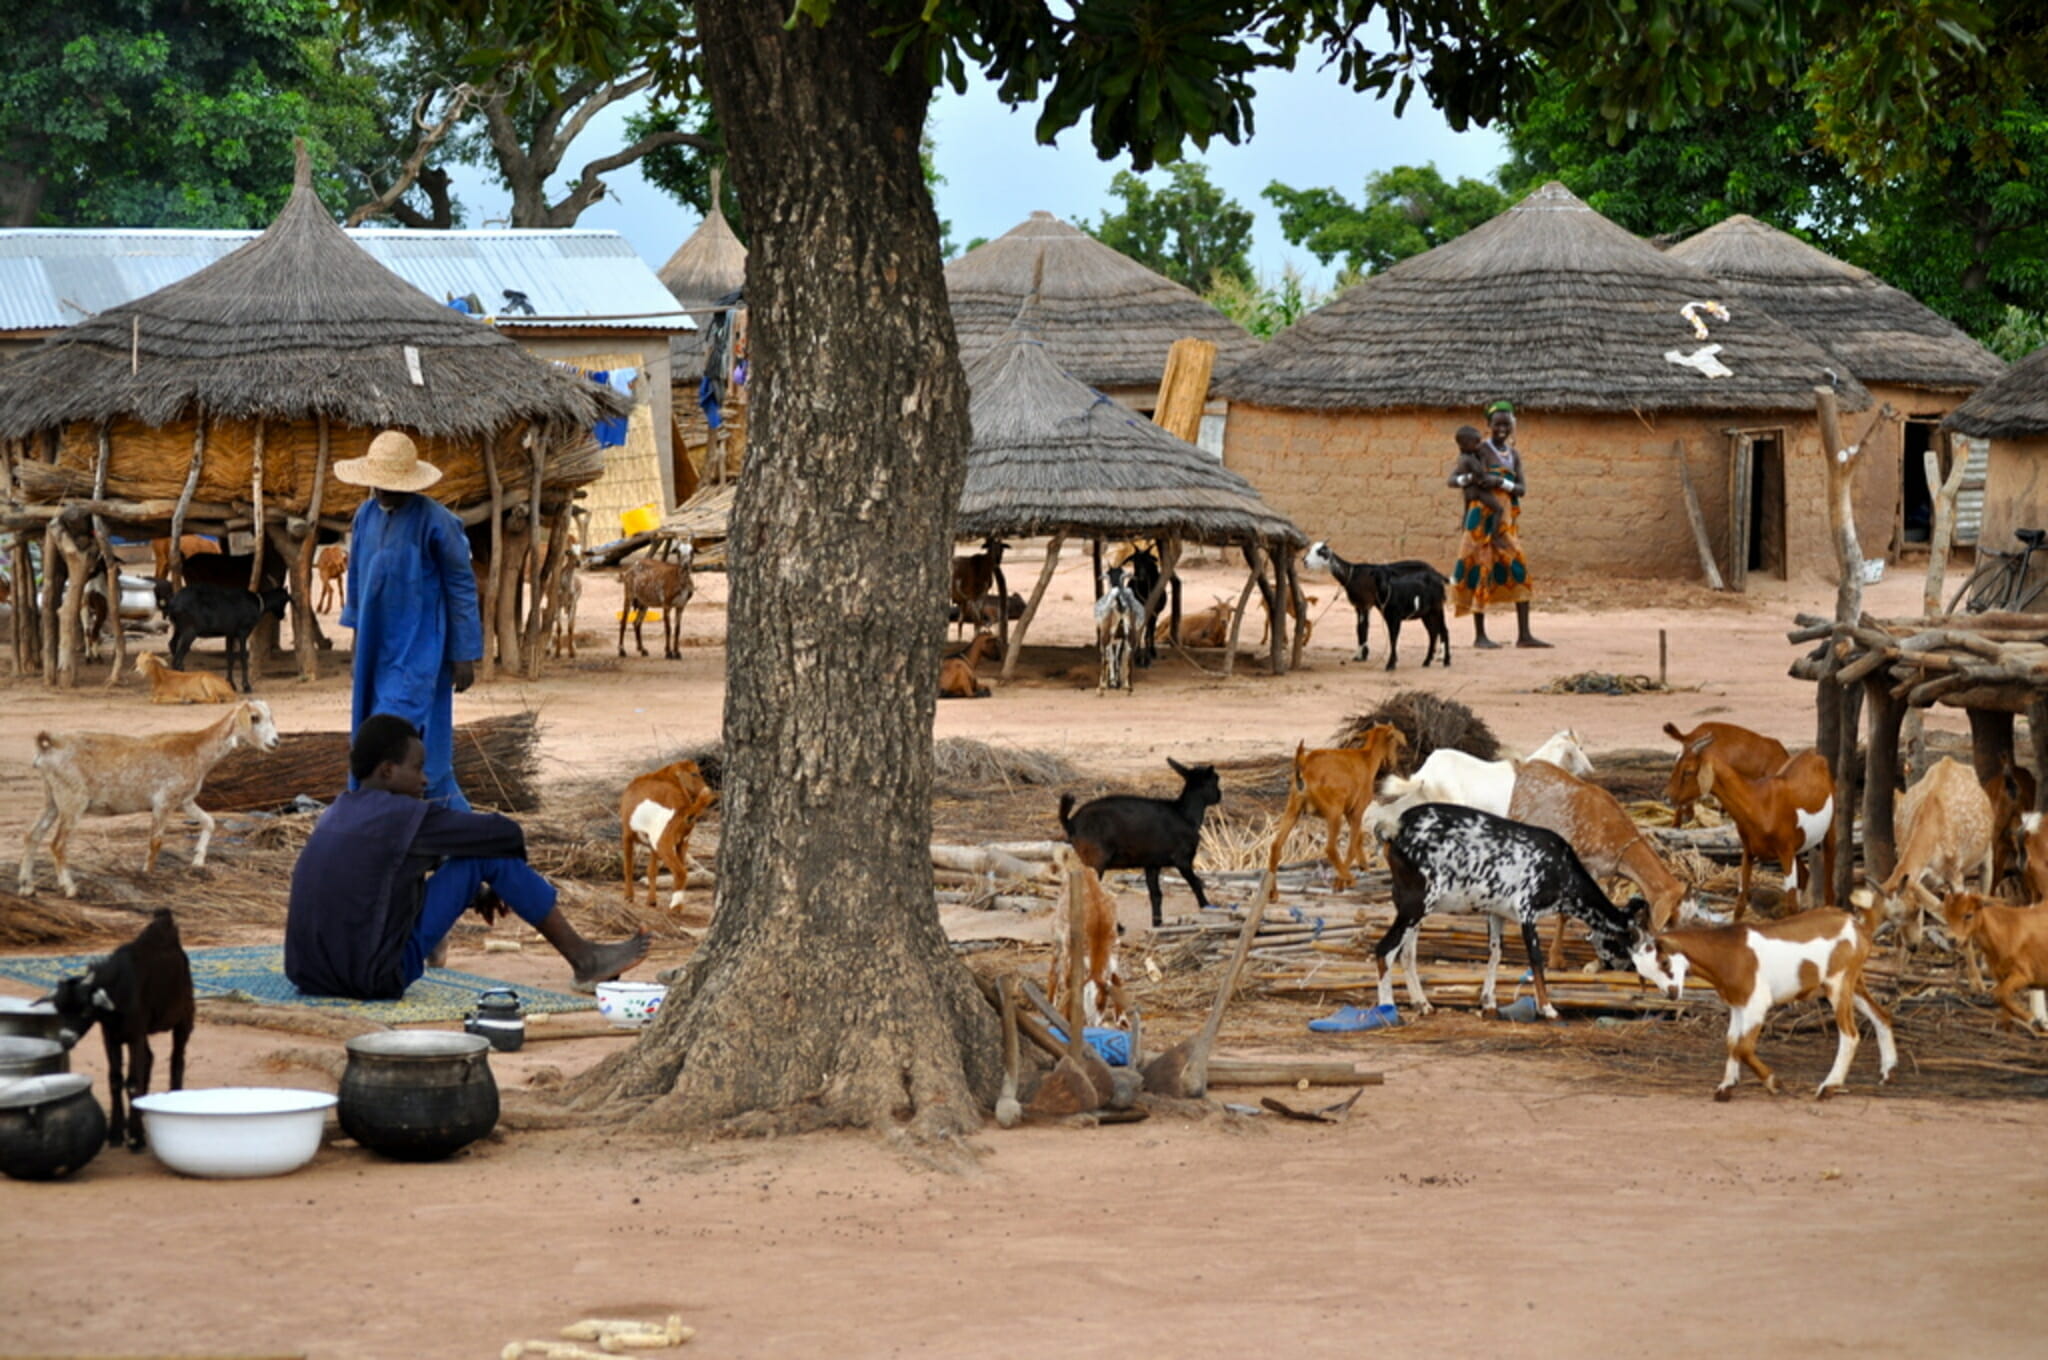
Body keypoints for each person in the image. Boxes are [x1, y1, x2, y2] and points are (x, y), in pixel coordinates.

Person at [285, 714, 648, 1001]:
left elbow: (387, 872)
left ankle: (583, 957)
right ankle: (585, 960)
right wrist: (489, 880)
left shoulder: (337, 811)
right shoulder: (404, 816)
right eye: (417, 767)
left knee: (457, 860)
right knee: (490, 858)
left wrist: (475, 893)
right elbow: (505, 833)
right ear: (387, 770)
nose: (425, 780)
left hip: (310, 975)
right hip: (375, 979)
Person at [335, 430, 484, 809]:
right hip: (375, 643)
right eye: (379, 484)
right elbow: (356, 578)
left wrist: (464, 652)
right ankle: (388, 820)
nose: (383, 492)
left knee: (400, 737)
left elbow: (461, 585)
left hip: (421, 646)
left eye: (392, 486)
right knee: (372, 731)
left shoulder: (436, 522)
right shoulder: (365, 517)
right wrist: (355, 636)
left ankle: (431, 820)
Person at [1448, 402, 1550, 649]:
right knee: (1480, 570)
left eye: (1507, 424)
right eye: (1497, 424)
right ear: (1488, 426)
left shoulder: (1514, 456)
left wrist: (1500, 482)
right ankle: (1480, 635)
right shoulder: (1479, 449)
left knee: (1520, 568)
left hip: (1505, 522)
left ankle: (1524, 635)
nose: (1502, 429)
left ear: (1512, 426)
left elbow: (1522, 489)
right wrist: (1471, 479)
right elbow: (1454, 479)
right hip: (1479, 520)